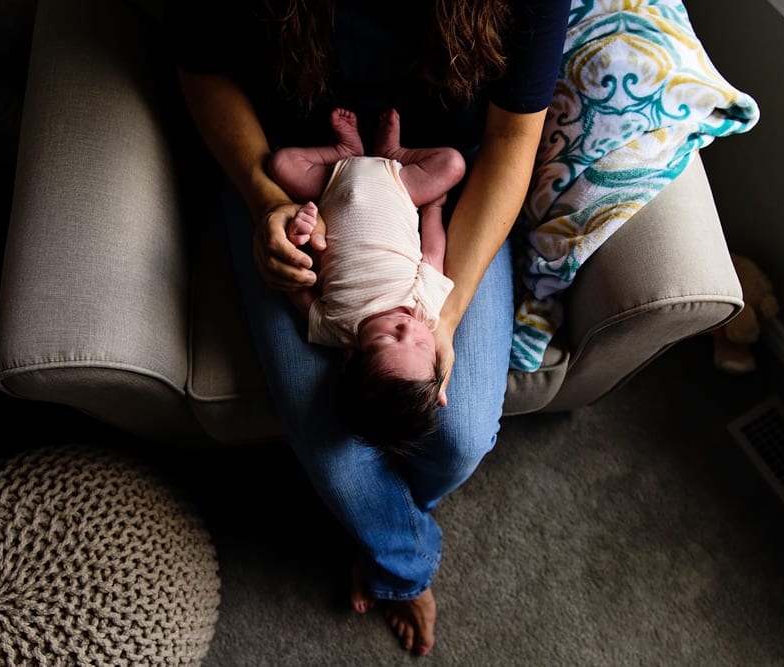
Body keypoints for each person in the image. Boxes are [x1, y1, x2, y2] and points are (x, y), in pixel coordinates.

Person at [168, 0, 571, 656]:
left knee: (463, 435)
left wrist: (439, 313)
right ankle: (401, 563)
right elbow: (201, 71)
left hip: (432, 182)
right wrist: (267, 204)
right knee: (340, 453)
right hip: (298, 184)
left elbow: (511, 140)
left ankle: (384, 530)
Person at [268, 106, 466, 457]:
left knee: (282, 164)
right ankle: (394, 152)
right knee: (452, 163)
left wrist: (299, 237)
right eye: (421, 345)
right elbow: (434, 254)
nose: (408, 329)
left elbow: (296, 284)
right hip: (400, 186)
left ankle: (345, 150)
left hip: (331, 185)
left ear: (352, 356)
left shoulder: (334, 327)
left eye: (390, 338)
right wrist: (432, 210)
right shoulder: (426, 306)